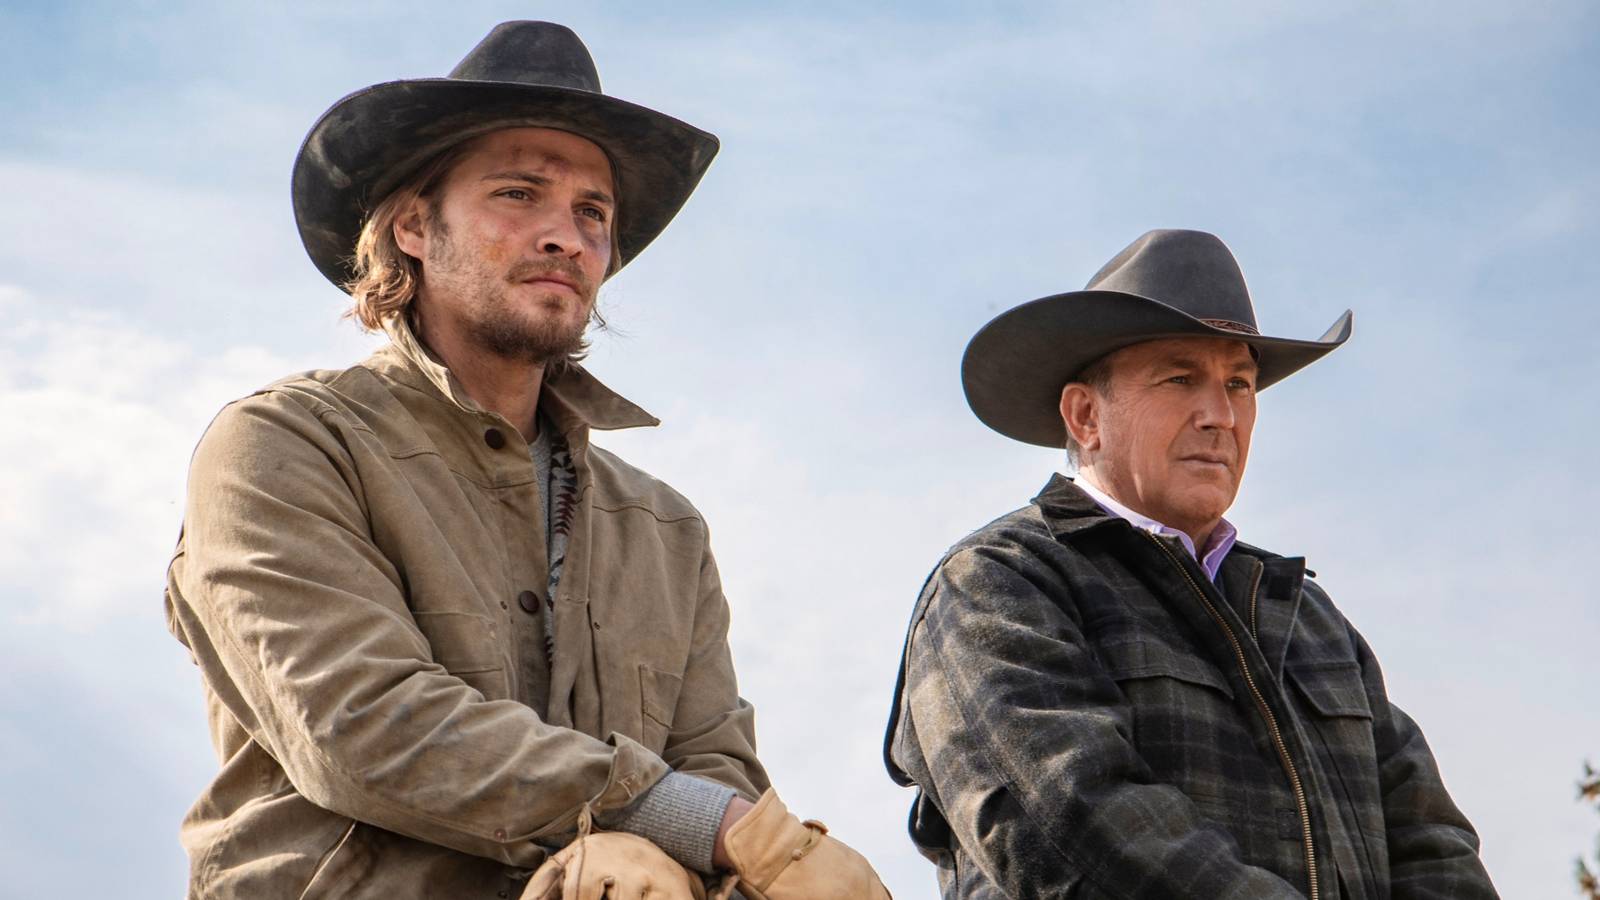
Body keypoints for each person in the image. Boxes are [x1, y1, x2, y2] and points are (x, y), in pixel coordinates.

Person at [164, 21, 887, 900]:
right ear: (413, 226)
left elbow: (715, 767)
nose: (567, 237)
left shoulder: (666, 530)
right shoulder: (287, 445)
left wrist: (736, 862)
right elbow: (363, 724)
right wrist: (701, 822)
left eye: (593, 213)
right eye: (519, 194)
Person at [883, 229, 1498, 898]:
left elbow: (1432, 843)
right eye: (1180, 379)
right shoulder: (998, 583)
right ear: (1086, 416)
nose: (1221, 415)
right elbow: (1075, 828)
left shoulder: (1309, 618)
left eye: (1239, 383)